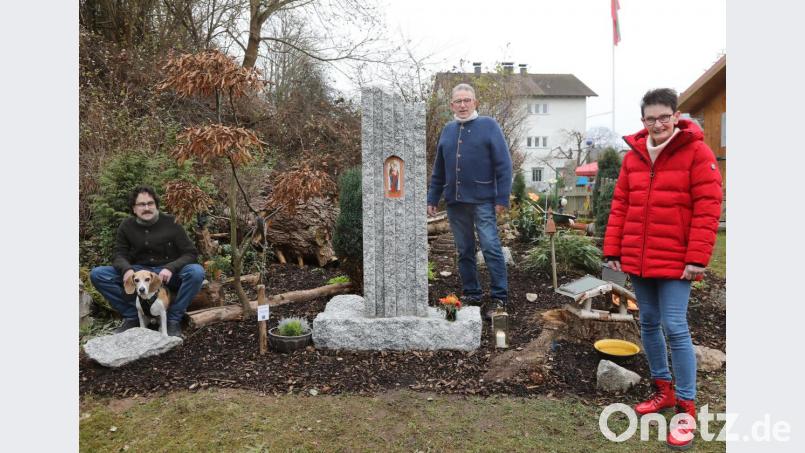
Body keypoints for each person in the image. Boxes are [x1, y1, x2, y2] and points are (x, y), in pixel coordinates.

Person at [604, 88, 722, 450]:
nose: (657, 124)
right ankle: (663, 391)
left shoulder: (697, 152)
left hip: (677, 260)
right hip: (639, 259)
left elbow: (708, 205)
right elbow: (621, 204)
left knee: (675, 326)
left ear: (676, 116)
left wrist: (696, 258)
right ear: (643, 121)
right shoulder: (634, 157)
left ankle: (686, 408)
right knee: (650, 324)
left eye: (663, 117)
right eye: (650, 118)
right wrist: (613, 250)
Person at [427, 83, 513, 319]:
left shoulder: (489, 126)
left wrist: (502, 197)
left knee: (491, 247)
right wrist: (433, 197)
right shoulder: (447, 130)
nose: (462, 105)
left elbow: (504, 164)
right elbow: (439, 169)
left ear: (475, 102)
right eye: (458, 101)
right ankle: (472, 293)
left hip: (483, 200)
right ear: (452, 105)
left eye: (467, 100)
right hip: (455, 202)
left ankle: (499, 297)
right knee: (464, 249)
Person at [90, 185, 206, 337]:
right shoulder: (126, 226)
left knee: (197, 272)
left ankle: (173, 319)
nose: (146, 208)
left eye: (150, 203)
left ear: (156, 205)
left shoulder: (172, 223)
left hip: (169, 274)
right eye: (141, 204)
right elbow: (119, 254)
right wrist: (127, 270)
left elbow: (190, 253)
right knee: (98, 274)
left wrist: (171, 267)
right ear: (134, 208)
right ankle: (133, 315)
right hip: (139, 273)